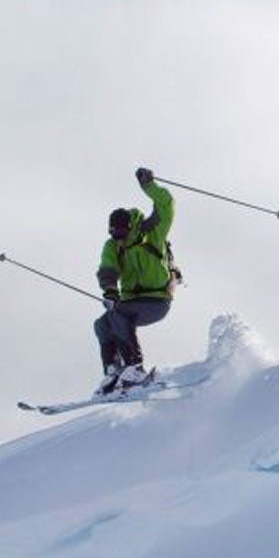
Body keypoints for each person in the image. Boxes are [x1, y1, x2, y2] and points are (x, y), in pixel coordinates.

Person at [94, 167, 177, 393]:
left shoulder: (153, 233)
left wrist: (149, 186)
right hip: (131, 303)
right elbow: (107, 268)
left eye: (121, 235)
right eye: (114, 235)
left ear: (129, 228)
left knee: (118, 314)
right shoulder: (113, 246)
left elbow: (166, 205)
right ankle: (114, 371)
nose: (118, 240)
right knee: (102, 324)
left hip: (157, 300)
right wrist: (110, 291)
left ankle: (136, 368)